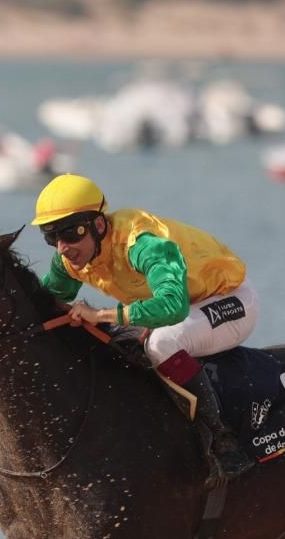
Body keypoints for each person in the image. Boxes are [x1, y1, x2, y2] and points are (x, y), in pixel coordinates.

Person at [31, 173, 257, 483]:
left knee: (161, 343)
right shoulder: (74, 258)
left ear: (98, 225)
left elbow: (172, 307)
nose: (62, 248)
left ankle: (221, 439)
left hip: (229, 300)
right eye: (50, 236)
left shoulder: (142, 243)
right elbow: (41, 305)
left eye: (70, 233)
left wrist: (101, 315)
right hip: (183, 306)